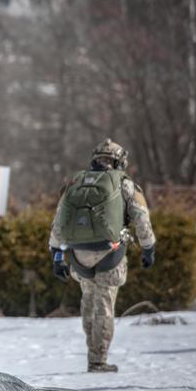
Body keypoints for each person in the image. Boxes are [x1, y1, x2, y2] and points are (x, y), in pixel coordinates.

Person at [49, 138, 156, 373]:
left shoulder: (76, 182)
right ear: (119, 161)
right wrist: (148, 247)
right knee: (104, 306)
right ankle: (98, 359)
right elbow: (141, 217)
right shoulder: (124, 183)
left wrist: (56, 253)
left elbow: (59, 219)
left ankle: (92, 352)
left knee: (88, 302)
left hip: (79, 255)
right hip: (110, 253)